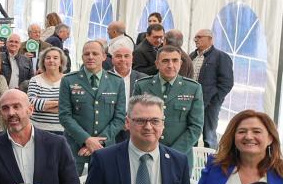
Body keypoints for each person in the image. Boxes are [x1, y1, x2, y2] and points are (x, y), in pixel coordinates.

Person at [194, 110, 283, 184]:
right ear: (233, 138)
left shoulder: (280, 172)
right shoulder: (215, 167)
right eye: (242, 131)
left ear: (270, 138)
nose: (248, 136)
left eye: (256, 131)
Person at [59, 41, 127, 174]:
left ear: (103, 56)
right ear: (82, 57)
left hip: (106, 149)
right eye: (86, 54)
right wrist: (86, 139)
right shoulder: (69, 80)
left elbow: (119, 118)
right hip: (76, 149)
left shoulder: (117, 82)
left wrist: (97, 143)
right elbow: (65, 116)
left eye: (95, 53)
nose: (90, 57)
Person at [132, 45, 203, 166]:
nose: (170, 65)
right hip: (146, 154)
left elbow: (196, 127)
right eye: (165, 61)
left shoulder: (193, 88)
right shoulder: (142, 86)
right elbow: (135, 120)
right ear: (157, 64)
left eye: (175, 60)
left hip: (179, 156)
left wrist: (171, 153)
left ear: (180, 63)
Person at [190, 29, 234, 148]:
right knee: (191, 133)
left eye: (199, 37)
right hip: (191, 102)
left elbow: (227, 82)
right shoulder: (192, 56)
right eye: (195, 37)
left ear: (210, 39)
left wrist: (215, 100)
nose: (195, 40)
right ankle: (190, 162)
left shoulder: (221, 57)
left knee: (209, 136)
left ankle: (212, 164)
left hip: (210, 104)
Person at [107, 43, 144, 143]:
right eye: (118, 56)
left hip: (135, 130)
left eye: (126, 56)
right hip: (109, 130)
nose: (123, 59)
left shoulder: (143, 79)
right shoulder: (104, 78)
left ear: (132, 58)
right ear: (112, 59)